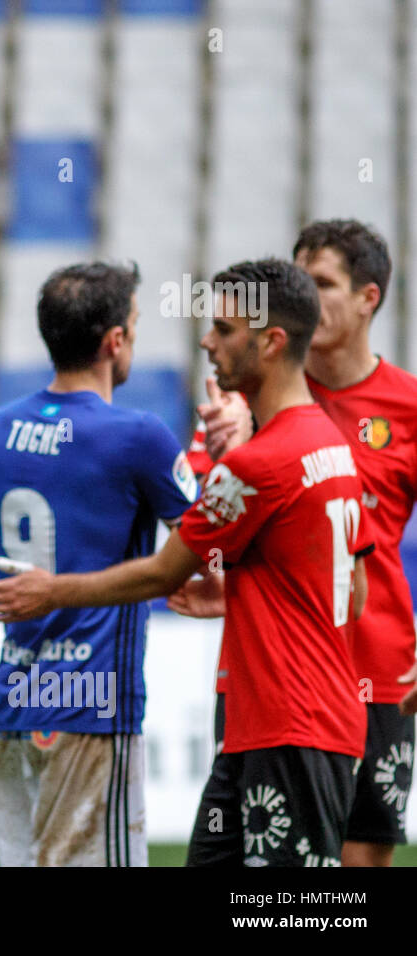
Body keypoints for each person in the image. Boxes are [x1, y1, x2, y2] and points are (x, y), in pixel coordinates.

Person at [0, 258, 374, 867]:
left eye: (224, 329)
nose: (208, 342)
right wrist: (244, 588)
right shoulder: (330, 446)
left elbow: (165, 572)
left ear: (271, 342)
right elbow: (356, 592)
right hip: (275, 728)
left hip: (292, 728)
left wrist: (52, 591)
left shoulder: (256, 465)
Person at [0, 261, 197, 866]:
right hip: (95, 707)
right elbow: (205, 556)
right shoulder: (141, 437)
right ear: (115, 340)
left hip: (17, 705)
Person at [183, 220, 413, 866]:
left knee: (355, 870)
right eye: (301, 282)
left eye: (324, 283)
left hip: (380, 664)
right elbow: (198, 528)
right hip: (274, 678)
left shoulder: (409, 406)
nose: (310, 297)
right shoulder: (249, 398)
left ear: (370, 297)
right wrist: (231, 446)